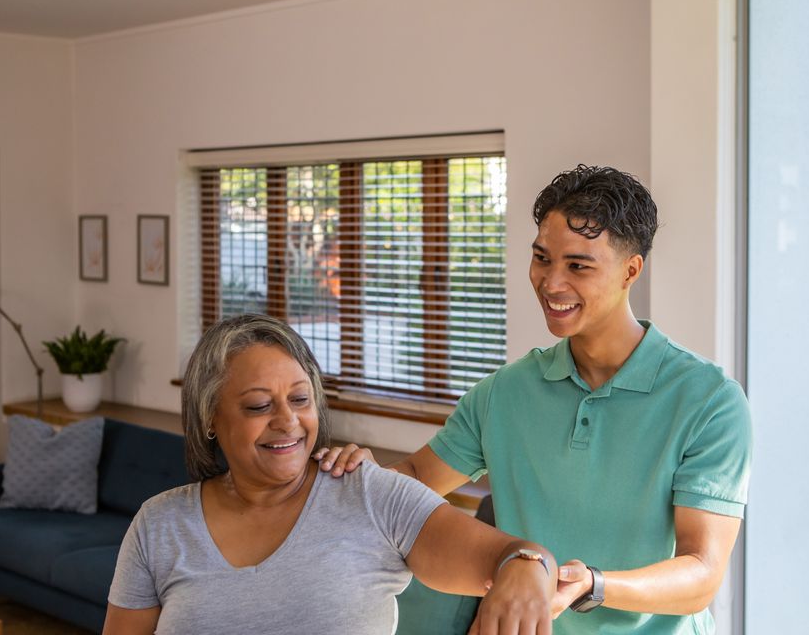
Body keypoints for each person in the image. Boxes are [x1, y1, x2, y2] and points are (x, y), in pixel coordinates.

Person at [316, 165, 753, 634]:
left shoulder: (709, 401)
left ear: (631, 270)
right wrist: (357, 474)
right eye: (542, 258)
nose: (550, 283)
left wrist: (593, 584)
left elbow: (702, 574)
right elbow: (419, 477)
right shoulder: (505, 392)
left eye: (578, 266)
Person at [103, 313, 558, 635]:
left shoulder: (369, 494)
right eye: (260, 406)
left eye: (300, 400)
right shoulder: (159, 524)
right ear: (209, 418)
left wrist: (526, 567)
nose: (288, 421)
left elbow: (515, 556)